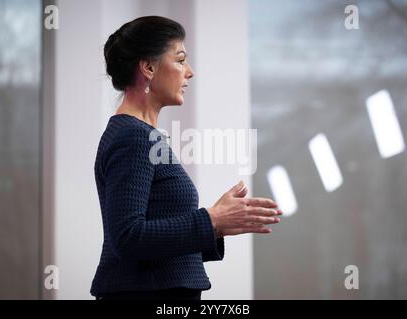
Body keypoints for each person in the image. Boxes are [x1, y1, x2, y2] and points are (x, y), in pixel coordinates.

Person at [91, 16, 282, 301]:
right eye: (180, 60)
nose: (189, 72)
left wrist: (216, 225)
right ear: (149, 67)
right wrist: (211, 220)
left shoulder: (141, 134)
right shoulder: (132, 137)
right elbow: (128, 238)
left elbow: (155, 245)